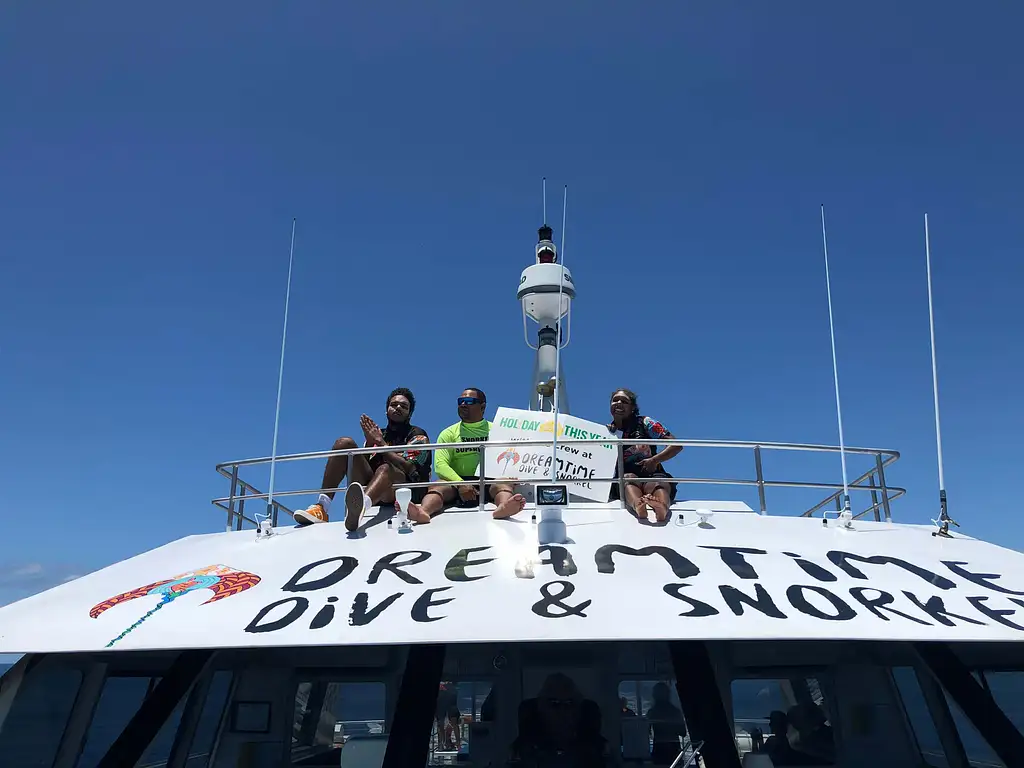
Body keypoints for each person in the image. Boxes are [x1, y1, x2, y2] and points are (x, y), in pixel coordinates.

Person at [294, 387, 430, 530]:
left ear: (409, 414)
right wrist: (370, 443)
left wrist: (380, 444)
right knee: (344, 443)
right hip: (376, 488)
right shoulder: (378, 434)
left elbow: (411, 469)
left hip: (403, 492)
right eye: (394, 404)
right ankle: (322, 507)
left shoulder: (418, 435)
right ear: (386, 409)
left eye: (404, 406)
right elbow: (363, 467)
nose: (398, 408)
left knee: (385, 468)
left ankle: (360, 508)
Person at [405, 388, 526, 523]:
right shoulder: (448, 433)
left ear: (482, 406)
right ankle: (424, 511)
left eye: (469, 401)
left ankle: (504, 507)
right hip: (457, 482)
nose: (463, 404)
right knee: (437, 486)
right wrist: (461, 484)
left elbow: (511, 456)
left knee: (503, 483)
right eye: (460, 401)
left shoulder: (497, 431)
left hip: (489, 480)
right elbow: (440, 466)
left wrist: (514, 472)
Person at [608, 389, 682, 522]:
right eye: (615, 400)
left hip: (651, 473)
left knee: (658, 482)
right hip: (626, 478)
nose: (619, 403)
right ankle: (638, 505)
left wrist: (654, 460)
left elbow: (676, 445)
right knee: (627, 479)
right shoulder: (606, 432)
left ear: (632, 408)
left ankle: (662, 507)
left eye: (624, 401)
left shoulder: (645, 422)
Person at [645, 682, 686, 765]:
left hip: (659, 751)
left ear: (655, 695)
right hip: (674, 751)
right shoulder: (675, 712)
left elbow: (645, 732)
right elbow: (683, 732)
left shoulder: (652, 713)